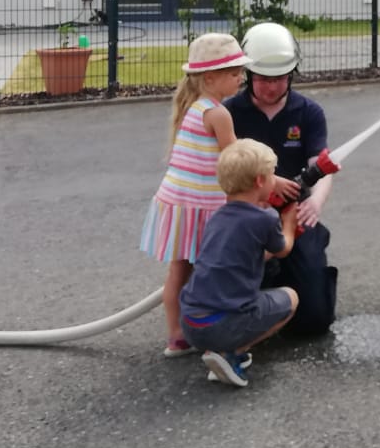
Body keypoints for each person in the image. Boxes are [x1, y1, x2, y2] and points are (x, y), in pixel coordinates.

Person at [138, 33, 248, 357]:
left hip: (177, 203)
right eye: (234, 73)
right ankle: (214, 332)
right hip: (201, 207)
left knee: (179, 271)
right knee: (210, 272)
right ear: (210, 78)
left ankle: (177, 336)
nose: (240, 78)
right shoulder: (218, 113)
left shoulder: (193, 107)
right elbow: (235, 159)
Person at [227, 21, 338, 336]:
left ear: (292, 74)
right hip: (244, 217)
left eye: (279, 79)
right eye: (262, 79)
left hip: (295, 216)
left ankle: (294, 283)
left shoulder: (309, 113)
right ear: (248, 74)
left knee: (315, 320)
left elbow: (322, 166)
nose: (271, 87)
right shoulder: (229, 113)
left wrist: (315, 201)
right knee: (232, 299)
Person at [178, 138, 299, 388]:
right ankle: (229, 353)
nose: (275, 179)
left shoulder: (217, 217)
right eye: (272, 174)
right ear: (259, 181)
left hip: (190, 322)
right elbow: (283, 249)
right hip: (222, 326)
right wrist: (289, 221)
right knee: (292, 298)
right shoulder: (264, 219)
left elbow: (246, 254)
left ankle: (222, 351)